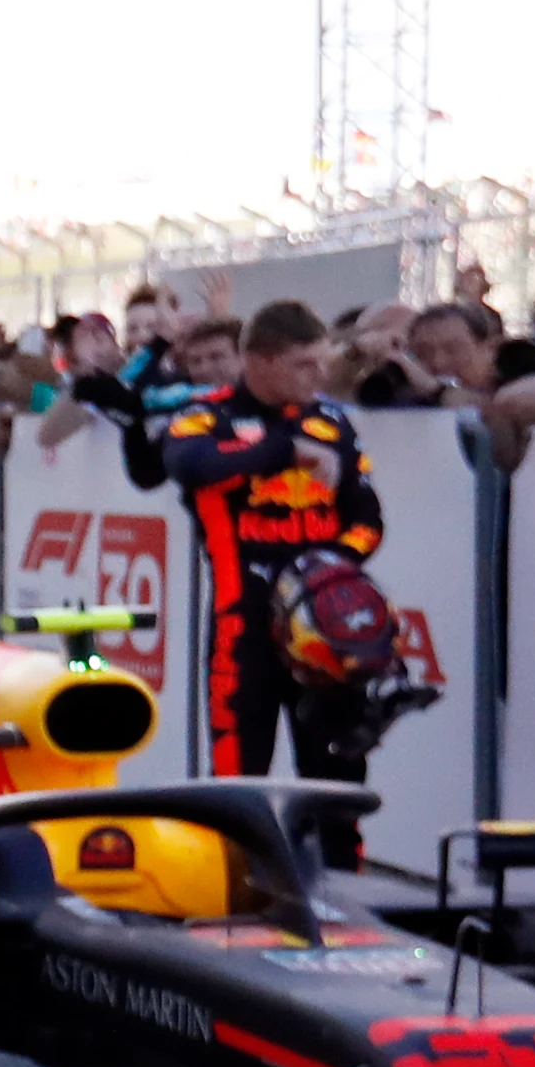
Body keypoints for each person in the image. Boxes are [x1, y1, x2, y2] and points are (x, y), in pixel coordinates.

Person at [163, 300, 381, 852]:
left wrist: (330, 572)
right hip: (245, 628)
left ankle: (342, 904)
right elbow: (191, 466)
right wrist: (286, 451)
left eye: (321, 361)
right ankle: (237, 905)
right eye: (305, 364)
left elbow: (367, 521)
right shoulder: (204, 417)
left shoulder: (332, 421)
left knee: (335, 785)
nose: (321, 375)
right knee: (240, 785)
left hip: (321, 631)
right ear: (259, 362)